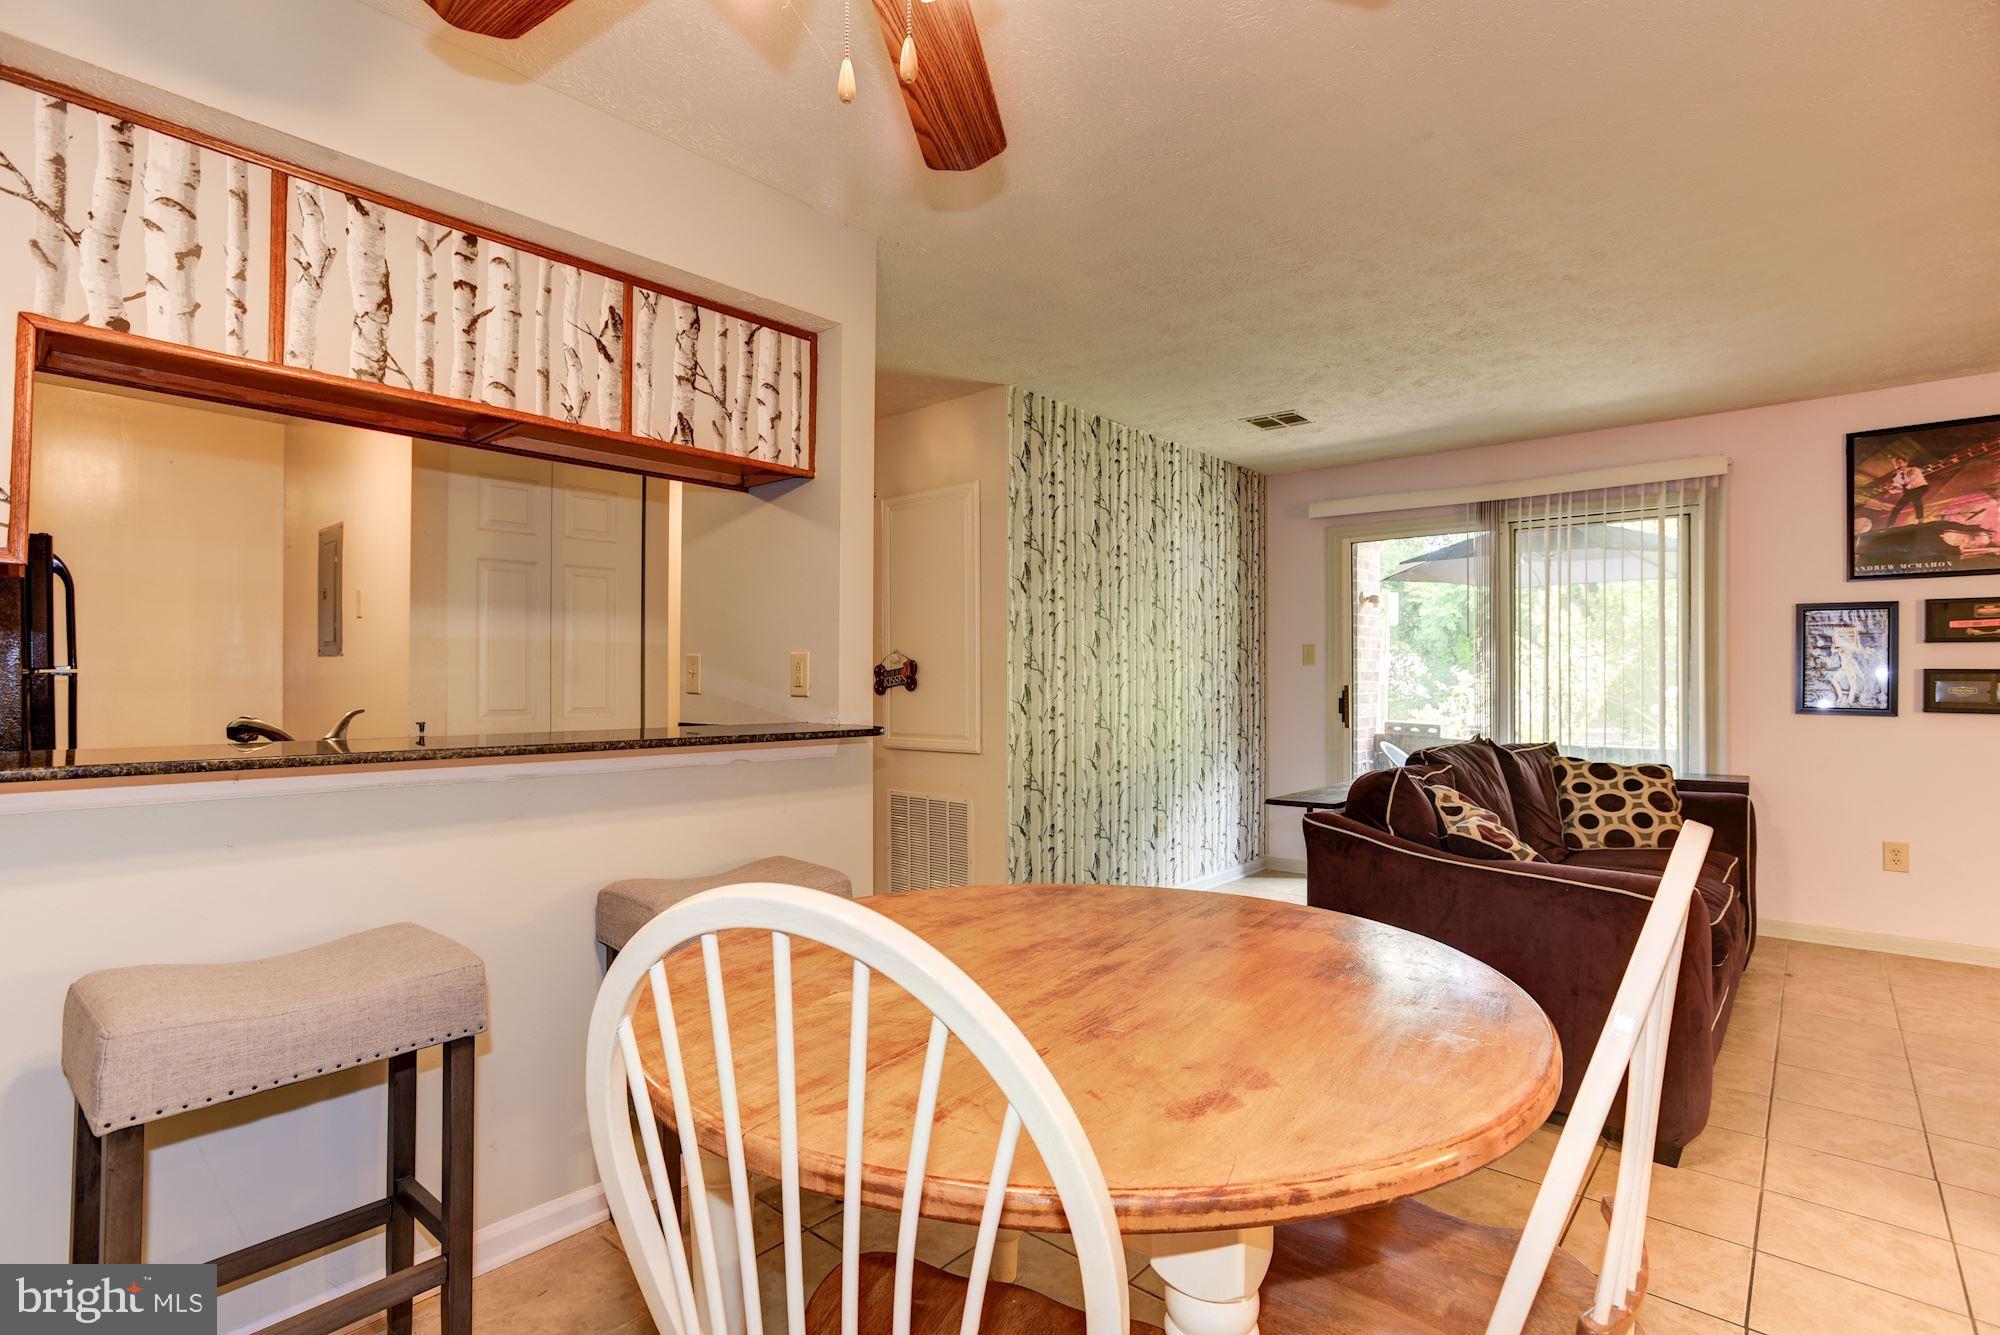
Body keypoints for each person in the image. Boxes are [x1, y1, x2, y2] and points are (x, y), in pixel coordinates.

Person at [1885, 456, 1931, 526]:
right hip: (1909, 491)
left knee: (1916, 498)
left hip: (1921, 487)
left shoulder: (1914, 470)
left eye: (1899, 463)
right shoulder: (1897, 476)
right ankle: (1889, 525)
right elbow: (1899, 488)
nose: (1897, 465)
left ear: (1905, 463)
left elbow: (1911, 483)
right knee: (1897, 507)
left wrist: (1901, 483)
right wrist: (1891, 488)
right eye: (1896, 464)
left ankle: (1920, 520)